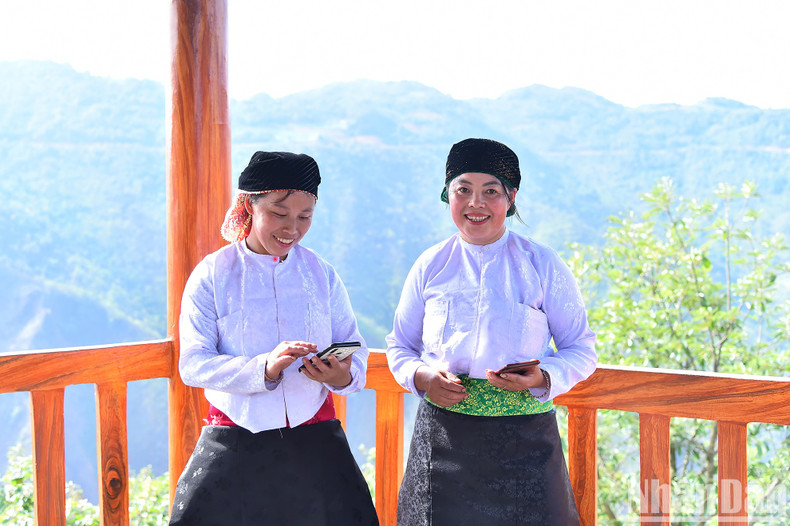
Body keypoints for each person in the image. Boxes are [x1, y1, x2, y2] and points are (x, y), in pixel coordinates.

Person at [386, 138, 597, 525]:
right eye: (463, 189)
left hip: (528, 441)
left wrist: (544, 376)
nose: (475, 203)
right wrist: (423, 377)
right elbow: (400, 346)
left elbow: (580, 348)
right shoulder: (430, 265)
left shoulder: (541, 264)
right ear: (447, 195)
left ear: (511, 197)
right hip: (442, 439)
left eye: (491, 191)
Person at [170, 151, 379, 525]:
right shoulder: (213, 275)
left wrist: (340, 376)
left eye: (305, 217)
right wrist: (264, 368)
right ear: (249, 205)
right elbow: (193, 364)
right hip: (234, 438)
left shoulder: (322, 274)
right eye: (279, 214)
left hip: (317, 444)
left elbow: (355, 349)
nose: (292, 229)